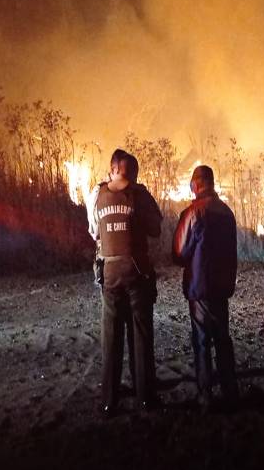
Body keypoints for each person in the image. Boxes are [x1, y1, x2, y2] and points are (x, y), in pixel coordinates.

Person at [88, 149, 162, 416]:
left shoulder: (96, 194)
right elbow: (155, 229)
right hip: (137, 273)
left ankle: (110, 400)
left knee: (111, 337)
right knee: (141, 335)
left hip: (109, 273)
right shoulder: (140, 195)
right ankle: (146, 397)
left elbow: (94, 231)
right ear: (131, 171)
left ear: (112, 168)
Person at [173, 165, 240, 412]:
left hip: (200, 287)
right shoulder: (227, 212)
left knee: (202, 340)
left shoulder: (193, 212)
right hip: (222, 287)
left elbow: (179, 252)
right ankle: (230, 391)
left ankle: (205, 396)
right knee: (223, 338)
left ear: (197, 184)